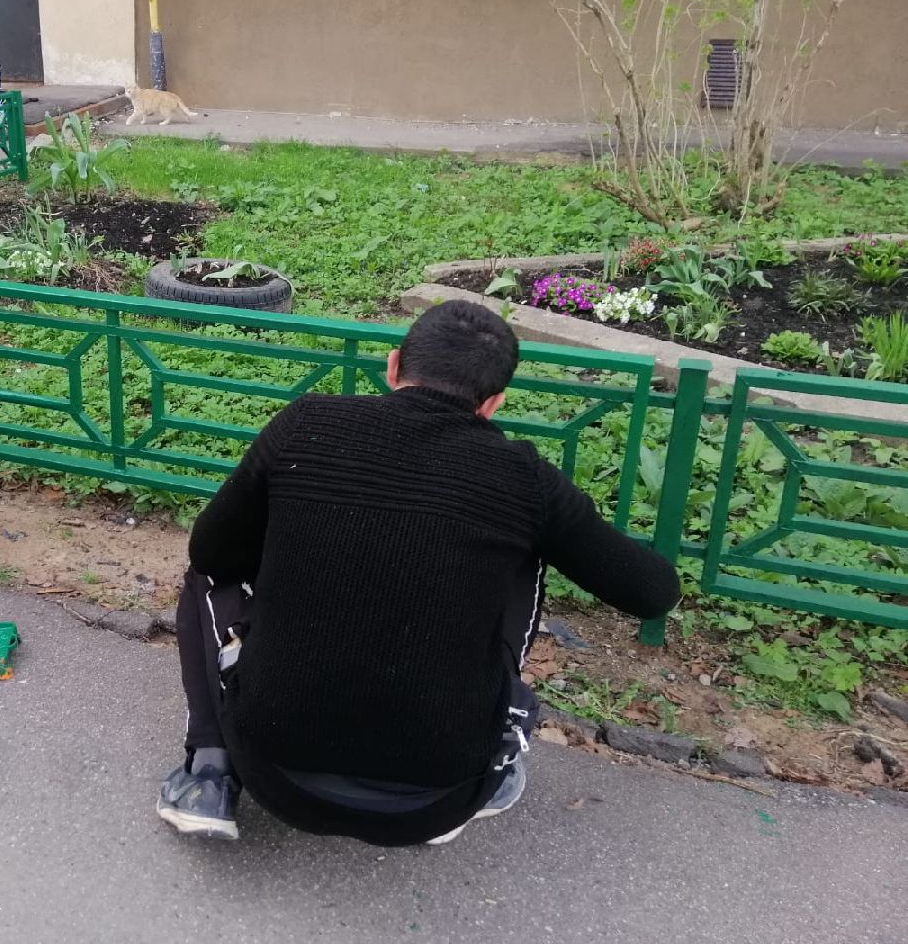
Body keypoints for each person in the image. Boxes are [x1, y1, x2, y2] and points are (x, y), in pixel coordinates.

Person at [156, 300, 681, 845]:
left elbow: (212, 552)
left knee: (204, 572)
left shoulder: (306, 426)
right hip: (443, 797)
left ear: (392, 366)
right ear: (494, 403)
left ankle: (210, 770)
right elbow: (652, 593)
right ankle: (498, 735)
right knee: (524, 547)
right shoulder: (523, 479)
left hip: (272, 774)